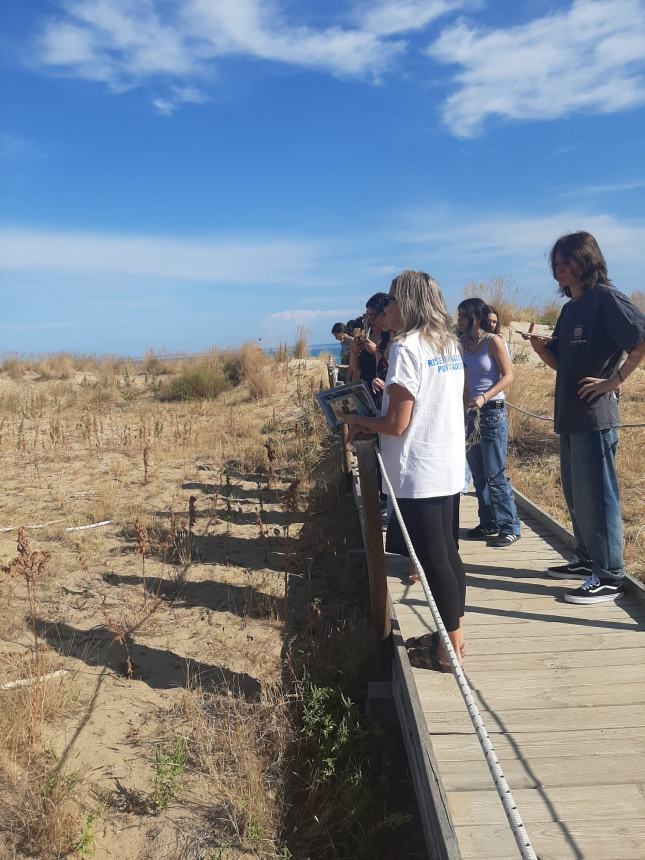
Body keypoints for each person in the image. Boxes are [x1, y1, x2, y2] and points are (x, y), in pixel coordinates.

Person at [345, 271, 466, 670]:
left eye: (393, 302)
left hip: (418, 470)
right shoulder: (446, 342)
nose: (388, 310)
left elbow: (397, 423)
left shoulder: (407, 347)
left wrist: (363, 424)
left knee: (433, 560)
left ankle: (451, 651)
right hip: (446, 463)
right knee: (447, 554)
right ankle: (452, 638)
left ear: (408, 304)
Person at [527, 231, 645, 604]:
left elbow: (641, 338)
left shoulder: (607, 298)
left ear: (586, 260)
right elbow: (561, 362)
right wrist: (540, 350)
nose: (558, 269)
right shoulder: (569, 310)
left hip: (595, 417)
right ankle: (585, 559)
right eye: (555, 263)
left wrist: (615, 380)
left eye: (565, 262)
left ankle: (609, 574)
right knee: (576, 494)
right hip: (568, 414)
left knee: (600, 497)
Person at [458, 298, 522, 546]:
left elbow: (508, 376)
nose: (460, 320)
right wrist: (465, 398)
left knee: (495, 472)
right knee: (478, 473)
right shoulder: (463, 344)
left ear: (475, 316)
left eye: (464, 316)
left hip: (492, 411)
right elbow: (465, 378)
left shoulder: (493, 341)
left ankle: (510, 525)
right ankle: (488, 522)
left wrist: (485, 396)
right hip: (471, 412)